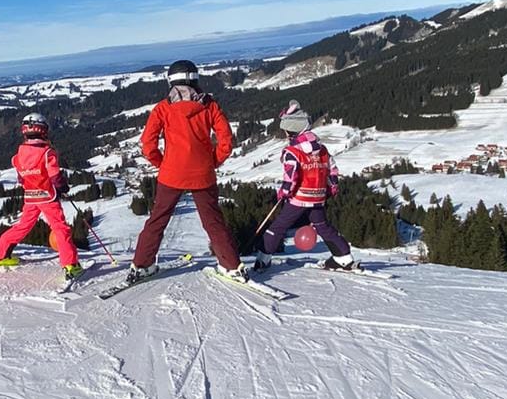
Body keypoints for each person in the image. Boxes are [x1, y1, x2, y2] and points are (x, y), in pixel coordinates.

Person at [128, 60, 247, 284]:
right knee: (213, 222)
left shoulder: (163, 108)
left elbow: (148, 144)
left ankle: (141, 265)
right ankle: (232, 266)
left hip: (170, 174)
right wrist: (213, 162)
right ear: (196, 79)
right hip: (203, 174)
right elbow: (226, 141)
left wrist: (162, 164)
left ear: (170, 81)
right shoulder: (209, 106)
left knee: (158, 220)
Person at [253, 100, 358, 271]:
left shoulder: (292, 152)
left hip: (299, 198)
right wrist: (332, 188)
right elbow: (332, 170)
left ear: (292, 130)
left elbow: (291, 177)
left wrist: (284, 193)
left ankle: (262, 260)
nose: (285, 134)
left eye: (286, 131)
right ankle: (344, 258)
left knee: (278, 227)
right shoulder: (322, 149)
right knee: (322, 226)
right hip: (318, 197)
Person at [0, 114, 83, 281]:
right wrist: (63, 187)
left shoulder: (17, 157)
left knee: (22, 227)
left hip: (30, 197)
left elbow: (21, 178)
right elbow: (54, 175)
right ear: (44, 131)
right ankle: (71, 265)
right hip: (47, 197)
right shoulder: (47, 153)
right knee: (61, 228)